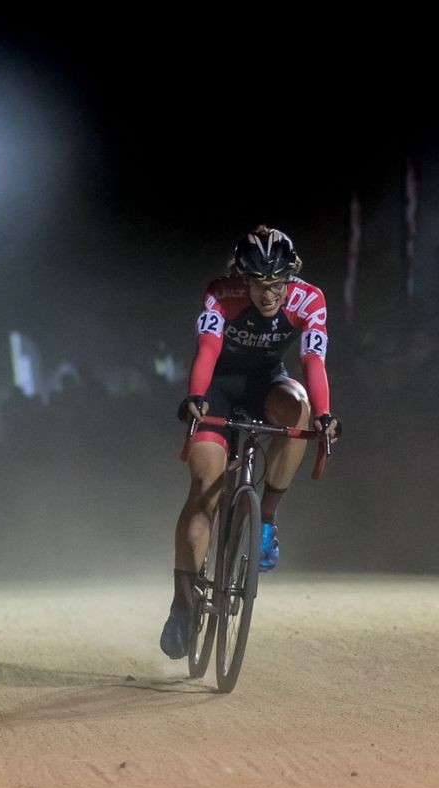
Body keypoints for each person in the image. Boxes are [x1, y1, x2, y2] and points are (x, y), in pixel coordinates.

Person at [161, 226, 341, 660]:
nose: (268, 295)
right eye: (260, 285)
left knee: (298, 408)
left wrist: (323, 414)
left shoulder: (308, 299)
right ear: (244, 279)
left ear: (290, 277)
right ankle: (183, 605)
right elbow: (206, 348)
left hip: (267, 384)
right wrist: (197, 398)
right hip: (219, 386)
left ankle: (266, 522)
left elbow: (313, 360)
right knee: (205, 487)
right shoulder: (221, 294)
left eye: (277, 284)